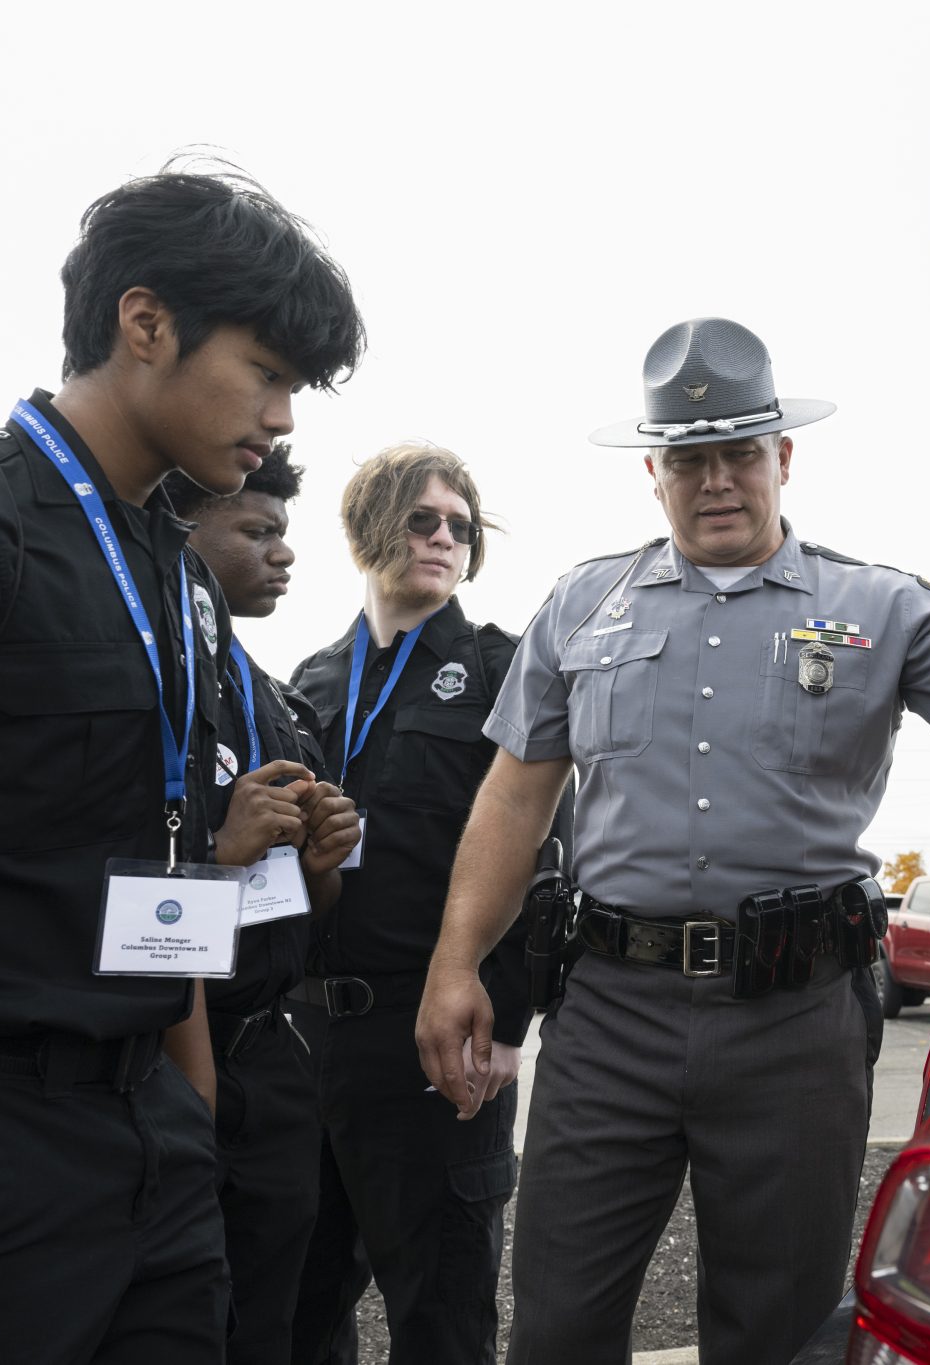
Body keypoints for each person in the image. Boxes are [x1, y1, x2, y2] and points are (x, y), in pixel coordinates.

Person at [415, 317, 930, 1365]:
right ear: (653, 472)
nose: (716, 481)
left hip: (792, 1020)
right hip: (609, 1014)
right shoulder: (581, 606)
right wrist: (455, 963)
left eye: (739, 453)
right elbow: (513, 802)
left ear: (782, 457)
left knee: (779, 1335)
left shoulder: (875, 607)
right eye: (688, 460)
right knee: (557, 1325)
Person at [0, 166, 363, 1365]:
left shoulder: (176, 576)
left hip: (151, 1142)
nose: (281, 417)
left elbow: (157, 864)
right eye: (266, 372)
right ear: (145, 323)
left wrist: (188, 1115)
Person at [287, 444, 538, 1365]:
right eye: (422, 519)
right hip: (308, 1037)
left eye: (461, 528)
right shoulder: (312, 681)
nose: (443, 539)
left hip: (436, 1038)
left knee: (441, 1318)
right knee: (294, 1311)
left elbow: (543, 858)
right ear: (369, 527)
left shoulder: (503, 669)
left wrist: (505, 1022)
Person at [165, 446, 361, 1365]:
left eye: (284, 532)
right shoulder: (151, 686)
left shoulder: (276, 702)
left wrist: (321, 861)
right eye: (257, 530)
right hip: (173, 1045)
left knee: (272, 1324)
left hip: (272, 1056)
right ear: (182, 533)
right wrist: (218, 854)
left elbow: (305, 907)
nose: (283, 553)